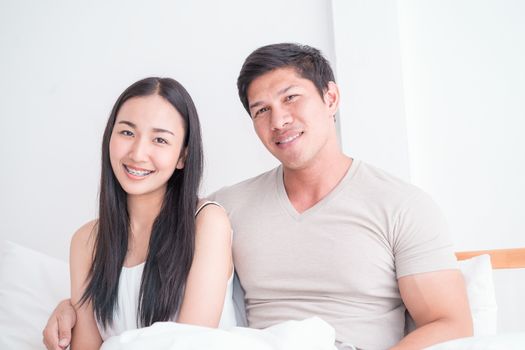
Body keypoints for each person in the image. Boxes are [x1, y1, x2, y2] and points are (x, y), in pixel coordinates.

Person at [44, 45, 472, 350]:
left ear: (331, 97)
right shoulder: (227, 209)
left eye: (291, 99)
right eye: (261, 110)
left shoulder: (400, 205)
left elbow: (451, 321)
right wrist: (71, 306)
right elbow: (155, 251)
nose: (279, 119)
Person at [43, 77, 236, 350]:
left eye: (159, 139)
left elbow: (190, 343)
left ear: (182, 156)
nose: (138, 153)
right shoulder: (86, 241)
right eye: (127, 133)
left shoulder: (207, 222)